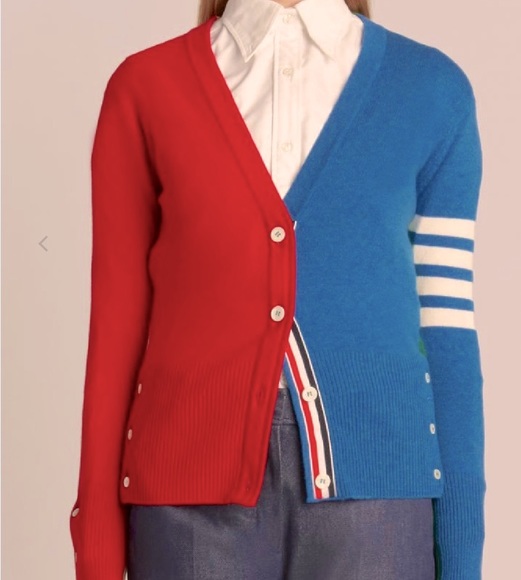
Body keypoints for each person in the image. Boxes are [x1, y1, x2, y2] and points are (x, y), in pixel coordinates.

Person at [69, 0, 487, 578]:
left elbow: (446, 329)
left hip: (380, 499)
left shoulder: (431, 90)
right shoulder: (145, 87)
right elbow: (116, 331)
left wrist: (461, 554)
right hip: (185, 502)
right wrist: (96, 545)